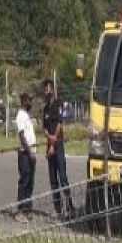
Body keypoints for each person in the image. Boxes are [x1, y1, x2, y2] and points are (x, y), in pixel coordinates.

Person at [41, 79, 76, 219]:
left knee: (63, 177)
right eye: (45, 89)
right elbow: (43, 127)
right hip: (49, 146)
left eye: (48, 89)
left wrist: (53, 141)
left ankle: (70, 206)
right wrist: (48, 138)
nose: (46, 92)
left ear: (53, 90)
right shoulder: (46, 109)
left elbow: (60, 124)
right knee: (53, 179)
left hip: (58, 146)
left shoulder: (58, 104)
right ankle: (58, 209)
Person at [14, 92, 37, 222]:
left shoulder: (27, 116)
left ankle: (28, 208)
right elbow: (22, 137)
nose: (31, 102)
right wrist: (30, 152)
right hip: (25, 153)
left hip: (31, 153)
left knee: (30, 182)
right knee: (24, 181)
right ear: (23, 101)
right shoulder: (20, 116)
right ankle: (20, 210)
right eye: (29, 100)